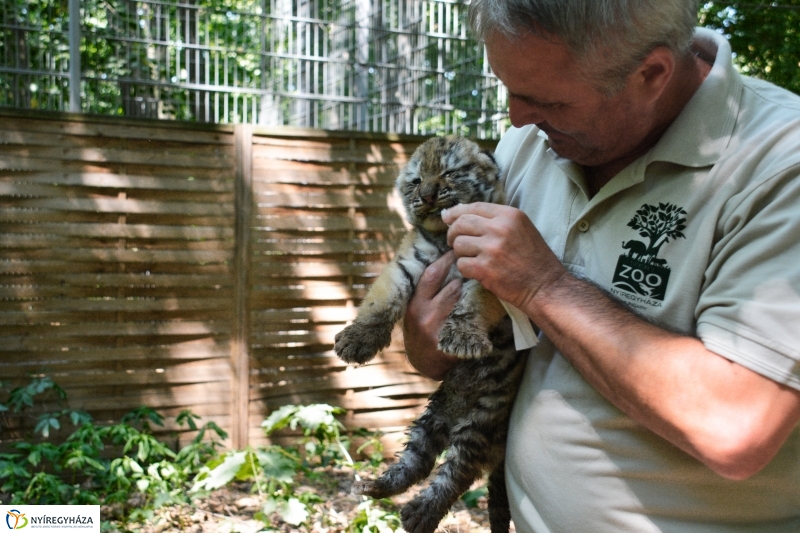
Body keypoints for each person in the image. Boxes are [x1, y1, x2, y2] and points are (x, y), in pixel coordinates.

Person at [402, 1, 800, 531]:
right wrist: (428, 336)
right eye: (510, 88)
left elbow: (734, 428)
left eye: (547, 100)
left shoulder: (780, 164)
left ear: (651, 73)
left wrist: (545, 285)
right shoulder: (532, 143)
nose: (516, 117)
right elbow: (458, 343)